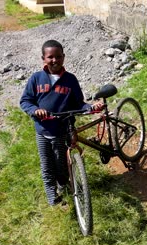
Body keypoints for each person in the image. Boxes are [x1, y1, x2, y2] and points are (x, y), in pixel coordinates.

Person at [20, 40, 103, 206]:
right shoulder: (36, 79)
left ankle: (62, 185)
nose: (54, 60)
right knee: (47, 165)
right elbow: (26, 101)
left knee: (61, 164)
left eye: (58, 56)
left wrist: (91, 108)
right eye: (50, 57)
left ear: (63, 57)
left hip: (62, 129)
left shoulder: (70, 80)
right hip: (43, 130)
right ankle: (53, 197)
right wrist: (35, 110)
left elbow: (78, 104)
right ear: (43, 58)